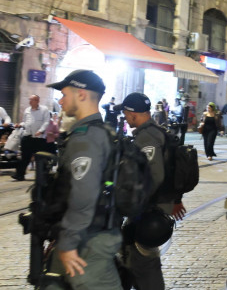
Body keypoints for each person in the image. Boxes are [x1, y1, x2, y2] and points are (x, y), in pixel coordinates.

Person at [43, 70, 122, 289]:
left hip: (88, 242)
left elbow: (84, 195)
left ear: (82, 95)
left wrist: (68, 243)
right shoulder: (103, 131)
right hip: (91, 234)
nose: (60, 100)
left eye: (65, 93)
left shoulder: (86, 138)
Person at [118, 92, 187, 290]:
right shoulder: (154, 131)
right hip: (150, 208)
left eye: (125, 114)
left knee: (145, 262)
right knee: (136, 259)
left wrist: (132, 203)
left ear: (132, 114)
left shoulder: (147, 136)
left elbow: (154, 175)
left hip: (149, 211)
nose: (124, 118)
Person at [13, 94, 51, 181]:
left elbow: (46, 122)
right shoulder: (27, 110)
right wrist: (20, 125)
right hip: (27, 136)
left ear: (37, 101)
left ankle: (43, 176)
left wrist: (41, 131)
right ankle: (20, 175)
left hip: (39, 138)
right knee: (24, 157)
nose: (30, 101)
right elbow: (25, 122)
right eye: (29, 99)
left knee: (41, 158)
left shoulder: (44, 110)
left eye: (32, 100)